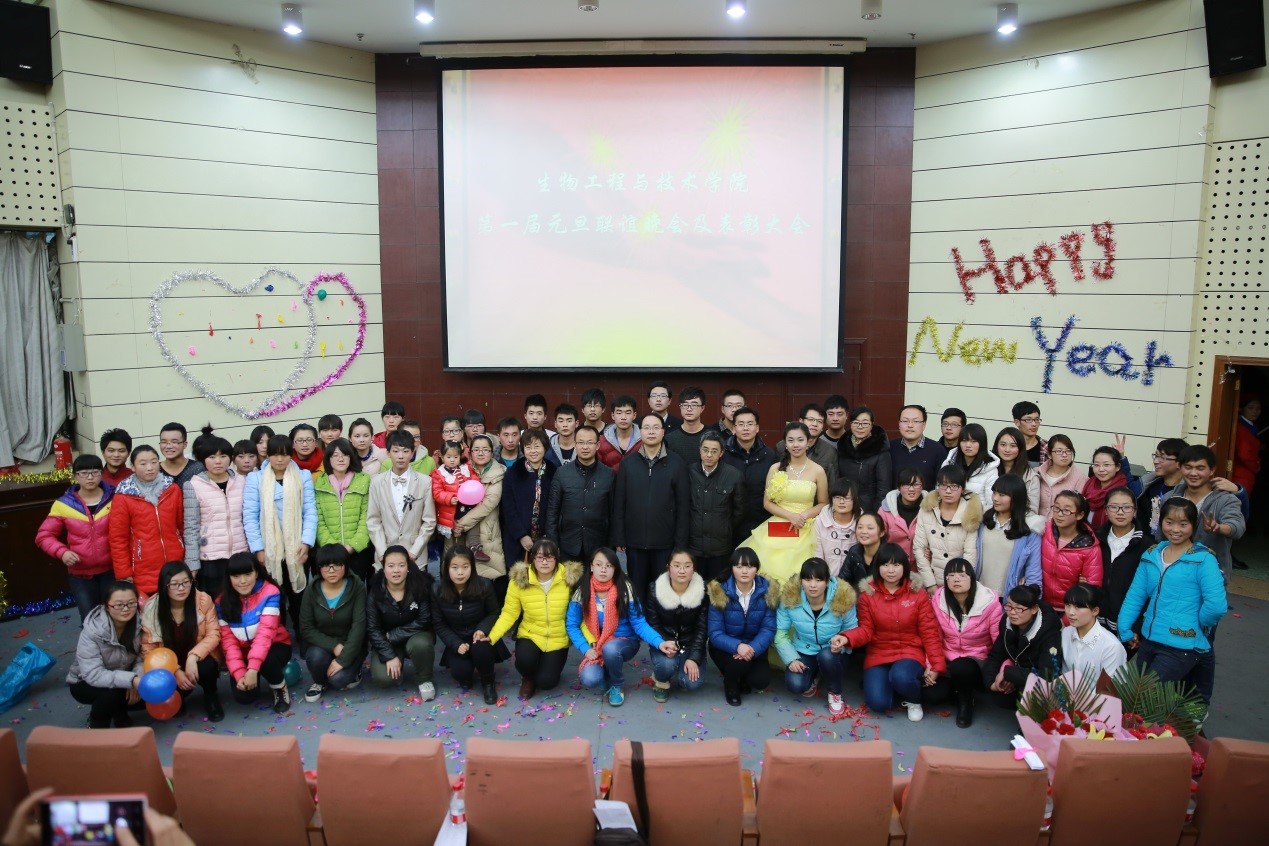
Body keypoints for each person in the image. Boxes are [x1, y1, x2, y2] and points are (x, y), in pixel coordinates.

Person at [1118, 497, 1228, 706]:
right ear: (1161, 522)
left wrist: (1197, 625)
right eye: (1169, 522)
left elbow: (1216, 606)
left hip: (1181, 646)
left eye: (1183, 524)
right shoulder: (1152, 554)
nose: (1175, 529)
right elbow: (1135, 595)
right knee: (1138, 700)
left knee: (1141, 700)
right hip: (1149, 640)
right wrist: (1125, 628)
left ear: (1193, 526)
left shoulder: (1204, 559)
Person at [836, 543, 945, 721]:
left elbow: (929, 631)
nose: (891, 570)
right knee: (878, 703)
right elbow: (866, 630)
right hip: (879, 652)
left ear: (905, 567)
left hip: (910, 651)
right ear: (878, 567)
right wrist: (846, 638)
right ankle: (894, 684)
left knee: (901, 676)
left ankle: (914, 699)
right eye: (885, 565)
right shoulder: (868, 595)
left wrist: (936, 665)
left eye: (896, 565)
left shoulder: (917, 593)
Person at [479, 538, 581, 700]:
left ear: (557, 558)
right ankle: (527, 677)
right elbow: (509, 613)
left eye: (549, 557)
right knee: (526, 661)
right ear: (533, 558)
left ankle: (546, 671)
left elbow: (579, 613)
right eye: (540, 557)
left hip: (557, 638)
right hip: (530, 634)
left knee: (547, 682)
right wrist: (492, 636)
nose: (544, 562)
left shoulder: (569, 580)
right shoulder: (520, 580)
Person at [566, 547, 666, 707]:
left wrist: (659, 642)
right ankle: (607, 668)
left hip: (625, 641)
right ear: (591, 567)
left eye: (609, 565)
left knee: (610, 649)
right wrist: (586, 649)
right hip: (596, 645)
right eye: (599, 564)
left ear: (615, 568)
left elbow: (639, 623)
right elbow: (572, 625)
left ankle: (617, 684)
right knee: (590, 678)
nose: (603, 569)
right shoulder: (582, 591)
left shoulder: (625, 589)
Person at [735, 422, 829, 586]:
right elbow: (767, 503)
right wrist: (790, 516)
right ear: (785, 444)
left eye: (800, 440)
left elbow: (823, 503)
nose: (796, 445)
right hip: (778, 525)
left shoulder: (818, 470)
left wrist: (804, 515)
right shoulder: (775, 468)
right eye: (791, 440)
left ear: (808, 442)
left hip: (805, 527)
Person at [243, 434, 318, 633]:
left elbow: (310, 511)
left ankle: (304, 637)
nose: (279, 459)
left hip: (297, 547)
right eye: (275, 454)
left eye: (284, 454)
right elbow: (250, 516)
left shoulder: (303, 476)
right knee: (273, 596)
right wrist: (258, 548)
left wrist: (306, 542)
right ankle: (278, 638)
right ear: (268, 455)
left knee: (299, 598)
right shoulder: (256, 478)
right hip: (270, 548)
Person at [612, 413, 690, 601]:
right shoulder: (628, 463)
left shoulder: (677, 463)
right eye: (646, 428)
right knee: (636, 591)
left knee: (663, 593)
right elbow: (619, 502)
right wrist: (619, 536)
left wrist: (680, 544)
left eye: (656, 427)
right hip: (635, 542)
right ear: (640, 432)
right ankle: (638, 620)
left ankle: (660, 621)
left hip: (665, 543)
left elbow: (683, 506)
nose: (651, 432)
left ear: (663, 432)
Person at [139, 561, 223, 721]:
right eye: (174, 584)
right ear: (164, 585)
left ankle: (211, 696)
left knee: (207, 667)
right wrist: (176, 670)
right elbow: (148, 648)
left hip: (197, 656)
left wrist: (193, 657)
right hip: (168, 661)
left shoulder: (203, 600)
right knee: (167, 677)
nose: (181, 588)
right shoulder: (152, 607)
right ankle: (178, 696)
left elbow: (214, 634)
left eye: (186, 582)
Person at [775, 557, 859, 716]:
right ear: (801, 581)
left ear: (827, 581)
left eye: (819, 580)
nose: (812, 585)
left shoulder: (843, 597)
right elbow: (781, 633)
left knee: (826, 656)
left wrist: (843, 641)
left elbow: (852, 630)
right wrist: (791, 659)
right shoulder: (790, 598)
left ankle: (835, 692)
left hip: (833, 652)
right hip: (804, 648)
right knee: (795, 685)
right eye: (807, 579)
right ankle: (816, 674)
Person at [37, 454, 115, 622]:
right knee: (90, 619)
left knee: (116, 616)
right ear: (75, 476)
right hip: (80, 574)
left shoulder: (115, 499)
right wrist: (62, 552)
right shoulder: (64, 504)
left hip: (112, 570)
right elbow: (44, 535)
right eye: (84, 473)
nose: (90, 477)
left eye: (95, 472)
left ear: (102, 474)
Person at [928, 558, 1002, 727]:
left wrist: (998, 671)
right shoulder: (938, 600)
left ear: (972, 578)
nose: (956, 579)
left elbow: (998, 641)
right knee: (931, 695)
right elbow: (934, 636)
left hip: (977, 659)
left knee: (961, 667)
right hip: (948, 658)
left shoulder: (989, 603)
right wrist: (932, 665)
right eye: (951, 575)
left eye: (962, 575)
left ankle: (966, 703)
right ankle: (958, 690)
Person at [217, 553, 293, 713]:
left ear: (256, 573)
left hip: (275, 645)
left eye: (247, 574)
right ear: (229, 577)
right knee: (244, 697)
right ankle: (254, 675)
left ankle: (279, 687)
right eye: (236, 576)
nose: (242, 581)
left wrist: (252, 669)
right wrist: (239, 673)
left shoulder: (270, 592)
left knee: (267, 661)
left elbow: (265, 635)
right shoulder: (221, 602)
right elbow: (228, 643)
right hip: (244, 652)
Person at [431, 544, 505, 704]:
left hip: (479, 636)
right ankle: (468, 668)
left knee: (481, 648)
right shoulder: (437, 589)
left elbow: (494, 612)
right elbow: (438, 623)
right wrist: (455, 643)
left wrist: (482, 629)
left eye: (465, 567)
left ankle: (488, 682)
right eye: (455, 567)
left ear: (472, 567)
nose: (460, 572)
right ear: (446, 568)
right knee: (461, 674)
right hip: (457, 637)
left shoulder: (484, 585)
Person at [109, 445, 184, 599]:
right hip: (143, 569)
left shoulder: (172, 489)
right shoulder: (123, 496)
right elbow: (118, 539)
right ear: (133, 467)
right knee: (151, 611)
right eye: (143, 463)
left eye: (154, 462)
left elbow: (181, 526)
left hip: (175, 563)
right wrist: (124, 574)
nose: (150, 468)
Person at [66, 581, 143, 728]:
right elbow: (93, 674)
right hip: (84, 681)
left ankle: (120, 713)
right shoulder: (92, 631)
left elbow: (142, 657)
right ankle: (97, 725)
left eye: (131, 603)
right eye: (118, 605)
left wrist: (136, 677)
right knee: (111, 695)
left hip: (125, 675)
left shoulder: (140, 624)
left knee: (146, 695)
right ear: (106, 606)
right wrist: (131, 680)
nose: (126, 609)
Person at [708, 547, 777, 706]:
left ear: (757, 568)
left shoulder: (768, 592)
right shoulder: (719, 591)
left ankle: (742, 676)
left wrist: (752, 648)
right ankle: (730, 685)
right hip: (725, 646)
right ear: (732, 568)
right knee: (739, 663)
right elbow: (715, 633)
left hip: (754, 646)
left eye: (750, 566)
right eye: (739, 566)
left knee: (760, 681)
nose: (744, 571)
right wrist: (738, 646)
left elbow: (768, 628)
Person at [367, 544, 437, 700]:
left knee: (421, 644)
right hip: (387, 640)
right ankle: (397, 666)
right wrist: (389, 655)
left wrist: (394, 635)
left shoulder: (420, 586)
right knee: (383, 679)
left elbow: (424, 620)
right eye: (391, 566)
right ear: (384, 568)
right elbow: (372, 629)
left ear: (408, 567)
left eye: (401, 565)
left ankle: (424, 679)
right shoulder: (376, 591)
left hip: (415, 636)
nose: (396, 570)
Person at [182, 429, 247, 596]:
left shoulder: (242, 482)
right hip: (210, 557)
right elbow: (191, 527)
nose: (218, 461)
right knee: (215, 601)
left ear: (230, 458)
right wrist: (192, 562)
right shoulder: (193, 485)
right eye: (211, 457)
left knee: (241, 600)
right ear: (203, 460)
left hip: (240, 553)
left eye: (223, 456)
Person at [298, 545, 367, 703]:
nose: (331, 570)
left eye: (337, 565)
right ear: (319, 568)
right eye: (326, 565)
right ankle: (320, 682)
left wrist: (343, 659)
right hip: (323, 644)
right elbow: (306, 628)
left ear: (345, 565)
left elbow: (359, 627)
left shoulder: (357, 587)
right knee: (315, 656)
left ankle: (354, 669)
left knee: (338, 680)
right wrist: (334, 646)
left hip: (350, 644)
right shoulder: (312, 589)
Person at [1167, 444, 1246, 580]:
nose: (1193, 473)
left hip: (1211, 574)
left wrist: (1219, 527)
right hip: (1172, 570)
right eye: (1188, 467)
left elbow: (1237, 527)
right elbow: (1160, 536)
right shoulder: (1169, 498)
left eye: (1200, 468)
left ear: (1212, 470)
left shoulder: (1226, 499)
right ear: (1179, 467)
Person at [644, 550, 709, 703]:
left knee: (690, 683)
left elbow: (702, 629)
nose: (682, 570)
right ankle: (661, 681)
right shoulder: (654, 590)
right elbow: (653, 624)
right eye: (677, 565)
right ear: (668, 567)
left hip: (690, 644)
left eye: (687, 566)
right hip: (664, 642)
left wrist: (694, 658)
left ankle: (682, 666)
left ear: (693, 569)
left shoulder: (703, 591)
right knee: (667, 666)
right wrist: (664, 643)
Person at [982, 584, 1064, 705]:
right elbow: (996, 655)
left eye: (1019, 609)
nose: (1012, 613)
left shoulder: (1049, 631)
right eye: (1009, 606)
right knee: (997, 695)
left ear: (1034, 609)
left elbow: (1047, 675)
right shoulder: (1007, 622)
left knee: (1030, 695)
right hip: (1020, 675)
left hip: (1041, 686)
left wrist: (1009, 674)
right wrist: (991, 683)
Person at [367, 429, 437, 569]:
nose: (400, 456)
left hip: (415, 558)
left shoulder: (425, 482)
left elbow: (429, 521)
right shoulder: (376, 482)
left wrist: (414, 551)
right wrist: (383, 552)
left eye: (405, 451)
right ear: (388, 453)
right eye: (396, 451)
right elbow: (373, 521)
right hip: (385, 557)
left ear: (412, 453)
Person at [545, 425, 615, 562]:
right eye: (581, 442)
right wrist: (553, 543)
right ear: (575, 445)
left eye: (590, 443)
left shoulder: (608, 474)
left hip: (598, 544)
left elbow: (613, 513)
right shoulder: (562, 473)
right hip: (567, 544)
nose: (585, 447)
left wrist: (611, 547)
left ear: (597, 445)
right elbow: (552, 512)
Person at [686, 431, 745, 582]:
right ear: (699, 450)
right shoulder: (688, 473)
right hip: (693, 547)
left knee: (717, 589)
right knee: (694, 589)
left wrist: (725, 528)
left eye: (714, 451)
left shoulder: (734, 475)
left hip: (721, 548)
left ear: (721, 453)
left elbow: (738, 511)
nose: (709, 455)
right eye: (705, 450)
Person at [913, 465, 982, 592]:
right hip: (932, 580)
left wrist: (959, 583)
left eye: (954, 486)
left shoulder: (970, 514)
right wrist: (930, 584)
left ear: (962, 489)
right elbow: (919, 548)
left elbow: (970, 554)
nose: (948, 491)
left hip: (958, 583)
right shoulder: (926, 510)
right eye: (943, 485)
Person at [314, 438, 373, 584]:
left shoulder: (364, 481)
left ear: (351, 457)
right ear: (328, 459)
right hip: (329, 552)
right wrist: (334, 549)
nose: (340, 459)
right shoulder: (320, 483)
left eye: (345, 455)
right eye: (335, 455)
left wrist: (352, 546)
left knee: (357, 587)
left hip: (358, 550)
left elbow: (367, 516)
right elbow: (319, 520)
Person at [1097, 486, 1151, 637]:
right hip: (1095, 621)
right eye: (1114, 507)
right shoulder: (1095, 540)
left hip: (1129, 626)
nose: (1120, 512)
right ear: (1106, 510)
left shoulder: (1148, 546)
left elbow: (1149, 591)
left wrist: (1138, 628)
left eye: (1126, 507)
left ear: (1135, 511)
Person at [977, 474, 1044, 596]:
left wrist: (1030, 595)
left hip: (1008, 597)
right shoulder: (983, 521)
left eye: (1002, 495)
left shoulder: (1029, 529)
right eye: (994, 493)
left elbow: (1033, 570)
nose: (995, 498)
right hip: (980, 593)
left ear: (1016, 498)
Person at [453, 433, 506, 584]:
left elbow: (488, 504)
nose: (481, 453)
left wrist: (461, 524)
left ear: (492, 452)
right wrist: (452, 523)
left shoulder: (499, 473)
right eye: (476, 450)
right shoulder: (460, 471)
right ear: (470, 452)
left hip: (487, 533)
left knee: (488, 582)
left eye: (485, 450)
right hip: (459, 534)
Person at [500, 428, 557, 568]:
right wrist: (521, 535)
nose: (533, 451)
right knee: (519, 576)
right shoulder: (513, 472)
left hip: (546, 538)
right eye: (528, 447)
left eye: (537, 446)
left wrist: (549, 534)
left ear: (545, 448)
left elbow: (557, 506)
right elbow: (508, 507)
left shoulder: (554, 471)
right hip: (517, 538)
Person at [1041, 491, 1103, 615]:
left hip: (1070, 610)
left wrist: (1066, 619)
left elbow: (1090, 590)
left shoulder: (1089, 546)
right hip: (1042, 604)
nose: (1059, 514)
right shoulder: (1045, 530)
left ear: (1080, 515)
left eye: (1066, 510)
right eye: (1056, 508)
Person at [722, 406, 777, 544]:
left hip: (761, 524)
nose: (745, 428)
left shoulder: (770, 455)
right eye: (741, 424)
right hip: (729, 526)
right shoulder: (723, 455)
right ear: (734, 428)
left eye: (750, 424)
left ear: (757, 428)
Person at [1061, 583, 1126, 681]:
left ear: (1095, 611)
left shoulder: (1111, 647)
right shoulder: (1065, 633)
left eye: (1077, 607)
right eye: (1068, 605)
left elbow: (1111, 687)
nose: (1070, 612)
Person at [776, 403, 841, 485]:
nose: (815, 424)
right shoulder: (781, 446)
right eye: (811, 419)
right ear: (801, 421)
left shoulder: (829, 452)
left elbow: (833, 484)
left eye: (819, 421)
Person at [1135, 437, 1187, 537]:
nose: (1155, 461)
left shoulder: (1186, 492)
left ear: (1179, 463)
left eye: (1162, 458)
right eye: (1156, 456)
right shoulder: (1149, 486)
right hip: (1145, 541)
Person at [941, 423, 998, 510]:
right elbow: (939, 489)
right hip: (948, 513)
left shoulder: (990, 469)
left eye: (973, 441)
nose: (968, 445)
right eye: (964, 441)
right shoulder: (949, 462)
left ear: (982, 443)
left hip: (976, 516)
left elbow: (991, 504)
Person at [890, 405, 946, 490]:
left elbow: (941, 485)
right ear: (899, 424)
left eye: (915, 421)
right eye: (905, 421)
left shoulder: (937, 450)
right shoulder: (890, 448)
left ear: (924, 425)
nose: (910, 425)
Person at [813, 479, 860, 580]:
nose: (841, 502)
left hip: (854, 580)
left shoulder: (862, 522)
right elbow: (817, 554)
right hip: (826, 578)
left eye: (846, 498)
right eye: (837, 497)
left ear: (855, 500)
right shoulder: (820, 521)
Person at [431, 441, 474, 547]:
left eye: (455, 457)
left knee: (467, 540)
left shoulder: (466, 469)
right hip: (450, 511)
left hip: (467, 508)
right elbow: (437, 492)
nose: (452, 460)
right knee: (451, 545)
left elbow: (474, 481)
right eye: (448, 457)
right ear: (442, 457)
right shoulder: (438, 474)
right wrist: (449, 498)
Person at [878, 468, 924, 564]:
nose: (911, 489)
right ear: (898, 488)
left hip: (921, 565)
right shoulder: (885, 510)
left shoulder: (931, 509)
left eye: (916, 484)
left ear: (922, 486)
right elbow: (879, 540)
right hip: (893, 564)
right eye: (906, 485)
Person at [1083, 444, 1132, 529]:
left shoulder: (1123, 493)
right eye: (1097, 465)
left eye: (1106, 465)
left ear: (1117, 467)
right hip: (1086, 534)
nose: (1101, 469)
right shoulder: (1089, 484)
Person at [993, 426, 1040, 515]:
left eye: (1013, 446)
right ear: (996, 446)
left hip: (1017, 522)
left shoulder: (1030, 477)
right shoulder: (988, 469)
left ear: (1021, 448)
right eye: (1003, 445)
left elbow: (1032, 511)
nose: (1007, 450)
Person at [1037, 433, 1080, 519]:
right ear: (1049, 454)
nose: (1064, 455)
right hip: (1035, 525)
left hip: (1062, 526)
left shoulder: (1080, 478)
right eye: (1059, 451)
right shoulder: (1037, 473)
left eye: (1068, 450)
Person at [665, 386, 709, 464]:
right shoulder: (669, 438)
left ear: (702, 408)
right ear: (680, 407)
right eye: (685, 405)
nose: (689, 409)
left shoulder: (711, 435)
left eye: (694, 405)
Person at [841, 510, 886, 587]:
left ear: (881, 533)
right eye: (860, 527)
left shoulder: (890, 554)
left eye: (870, 528)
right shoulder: (854, 552)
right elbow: (842, 582)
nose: (864, 531)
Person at [598, 395, 641, 470]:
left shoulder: (644, 440)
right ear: (612, 415)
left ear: (634, 415)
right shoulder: (602, 441)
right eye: (619, 413)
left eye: (628, 413)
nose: (623, 417)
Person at [1232, 394, 1263, 494]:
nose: (1255, 411)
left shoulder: (1252, 427)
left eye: (1258, 409)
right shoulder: (1240, 427)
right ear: (1241, 409)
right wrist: (1256, 466)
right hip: (1241, 474)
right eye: (1251, 408)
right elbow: (1244, 454)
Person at [157, 423, 203, 487]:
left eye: (174, 442)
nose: (168, 446)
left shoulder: (197, 468)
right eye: (164, 442)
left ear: (185, 444)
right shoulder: (155, 470)